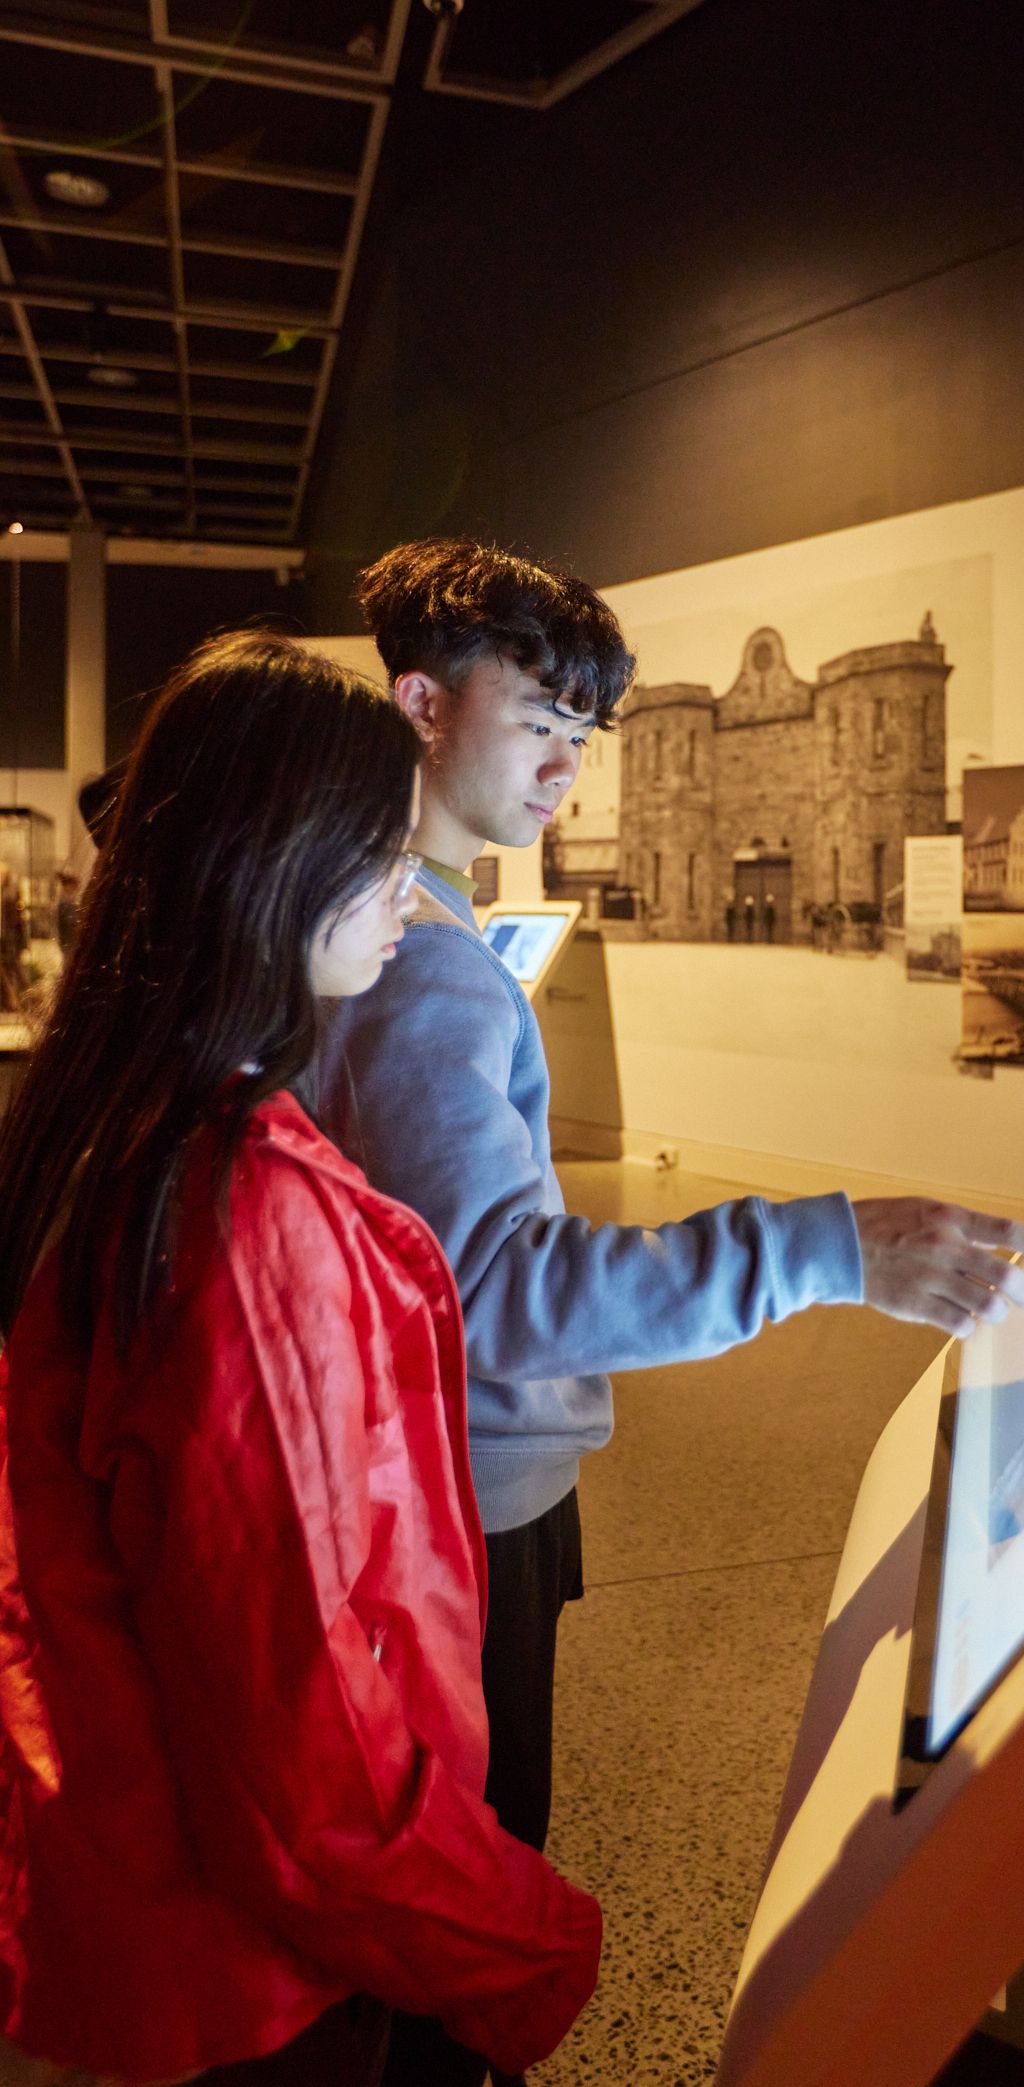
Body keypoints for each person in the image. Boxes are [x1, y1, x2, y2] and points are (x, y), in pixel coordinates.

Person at [319, 536, 1024, 2087]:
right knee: (467, 1878)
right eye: (540, 725)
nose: (567, 776)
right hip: (466, 1495)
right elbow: (495, 1283)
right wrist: (823, 1247)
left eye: (584, 740)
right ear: (419, 705)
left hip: (446, 1479)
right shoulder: (432, 965)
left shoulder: (375, 922)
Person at [0, 630, 600, 2087]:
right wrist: (529, 1939)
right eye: (378, 852)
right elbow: (308, 1769)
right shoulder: (234, 1210)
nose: (410, 891)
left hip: (111, 1883)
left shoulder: (114, 1115)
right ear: (272, 859)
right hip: (236, 1971)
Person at [0, 863, 26, 1013]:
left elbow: (14, 918)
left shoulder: (10, 891)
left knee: (14, 968)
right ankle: (12, 1002)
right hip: (7, 937)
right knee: (12, 970)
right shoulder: (7, 891)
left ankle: (19, 1001)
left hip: (10, 938)